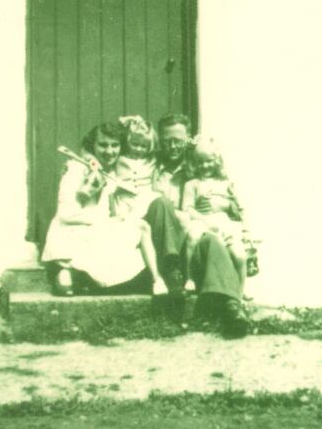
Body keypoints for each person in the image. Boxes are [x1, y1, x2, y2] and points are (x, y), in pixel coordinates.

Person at [40, 121, 169, 297]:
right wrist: (102, 218)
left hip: (95, 231)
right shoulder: (76, 169)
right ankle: (71, 273)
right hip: (74, 233)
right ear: (92, 145)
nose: (109, 151)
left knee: (140, 227)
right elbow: (66, 214)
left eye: (115, 145)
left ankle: (156, 280)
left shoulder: (110, 172)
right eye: (102, 145)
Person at [154, 114, 250, 337]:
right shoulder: (151, 164)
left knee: (212, 241)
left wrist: (223, 207)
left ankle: (232, 307)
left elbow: (231, 202)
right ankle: (226, 301)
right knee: (161, 204)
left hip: (194, 234)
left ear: (188, 140)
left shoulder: (198, 165)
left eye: (178, 140)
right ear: (160, 141)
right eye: (167, 140)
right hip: (165, 237)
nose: (172, 146)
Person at [181, 136, 253, 297]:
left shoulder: (226, 183)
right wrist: (202, 217)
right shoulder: (192, 184)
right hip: (201, 220)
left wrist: (229, 206)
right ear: (194, 163)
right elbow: (187, 209)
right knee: (192, 238)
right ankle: (189, 277)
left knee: (240, 255)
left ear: (217, 160)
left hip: (223, 222)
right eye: (200, 162)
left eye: (209, 161)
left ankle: (240, 291)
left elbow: (238, 209)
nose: (205, 166)